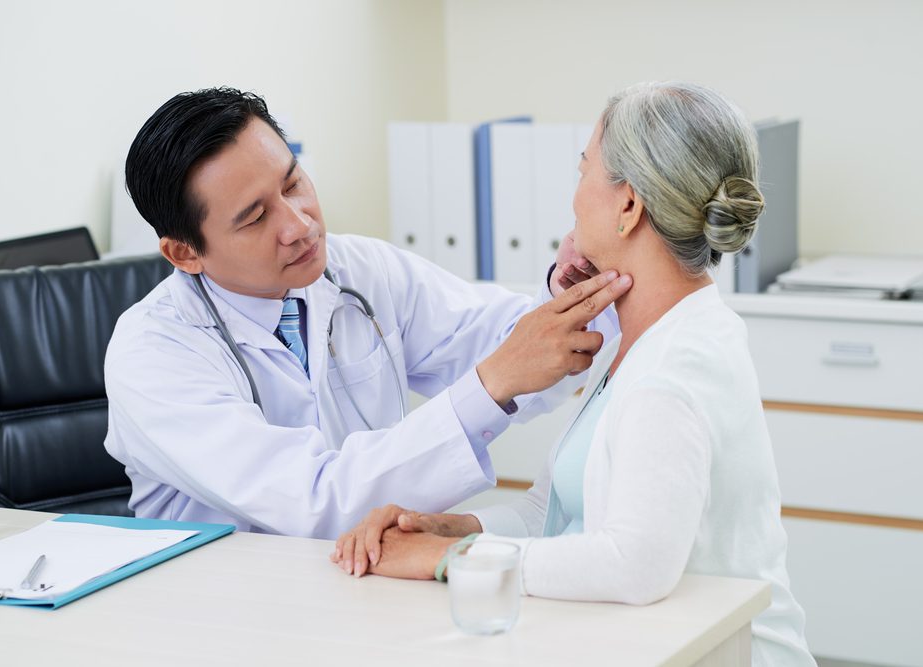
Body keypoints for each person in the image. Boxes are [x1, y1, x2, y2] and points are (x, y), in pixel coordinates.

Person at [333, 82, 816, 666]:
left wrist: (448, 560)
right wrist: (439, 529)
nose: (574, 196)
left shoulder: (673, 370)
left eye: (584, 170)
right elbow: (552, 514)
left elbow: (635, 564)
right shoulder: (646, 338)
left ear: (629, 206)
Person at [104, 87, 630, 540]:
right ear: (185, 253)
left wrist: (570, 294)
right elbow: (313, 503)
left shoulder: (360, 270)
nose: (299, 224)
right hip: (219, 608)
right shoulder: (153, 354)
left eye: (292, 183)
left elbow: (507, 346)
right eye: (257, 217)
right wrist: (492, 382)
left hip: (367, 575)